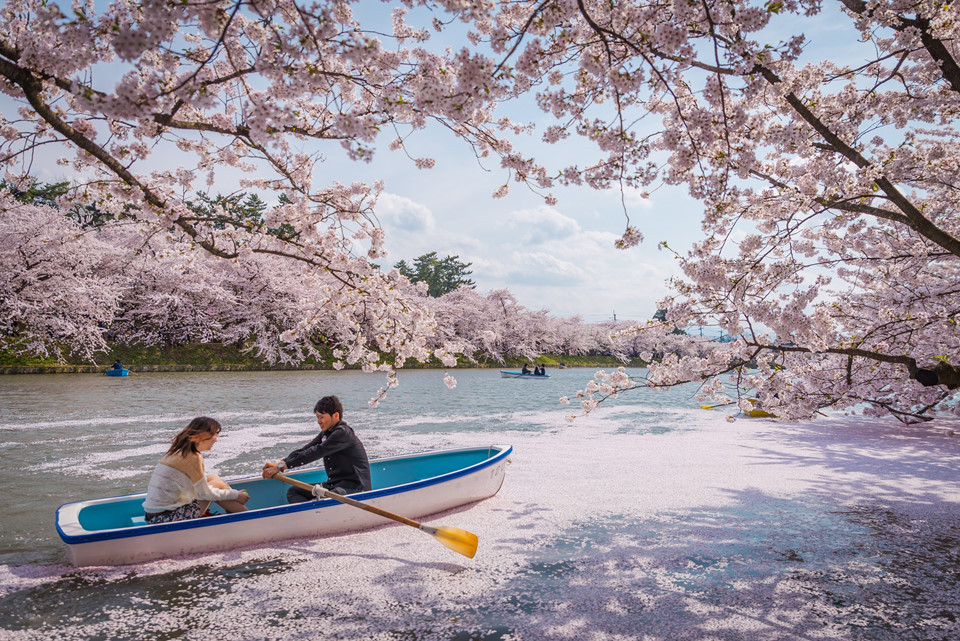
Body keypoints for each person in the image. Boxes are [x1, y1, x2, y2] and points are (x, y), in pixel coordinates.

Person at [262, 395, 372, 503]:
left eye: (322, 417)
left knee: (327, 499)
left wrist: (283, 466)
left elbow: (315, 452)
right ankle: (311, 517)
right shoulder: (326, 433)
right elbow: (305, 450)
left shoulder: (342, 433)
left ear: (336, 415)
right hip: (334, 485)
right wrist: (280, 464)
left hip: (355, 488)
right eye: (317, 417)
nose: (319, 421)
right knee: (293, 492)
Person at [142, 417, 249, 524]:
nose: (216, 439)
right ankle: (248, 520)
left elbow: (200, 490)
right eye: (215, 434)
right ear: (203, 436)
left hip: (154, 516)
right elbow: (205, 494)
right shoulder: (192, 457)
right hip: (166, 519)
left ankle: (236, 514)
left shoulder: (177, 451)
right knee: (217, 484)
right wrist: (236, 495)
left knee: (213, 478)